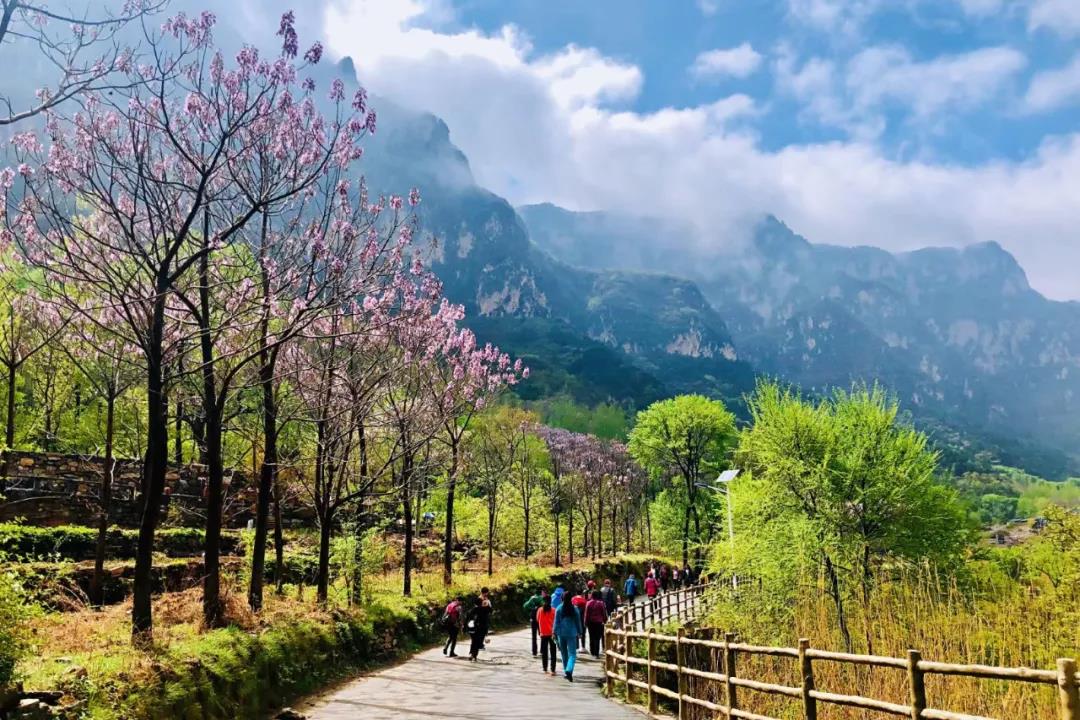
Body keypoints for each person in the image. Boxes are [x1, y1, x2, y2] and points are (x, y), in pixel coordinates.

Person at [554, 592, 582, 682]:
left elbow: (556, 622)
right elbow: (578, 622)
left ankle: (566, 672)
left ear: (562, 598)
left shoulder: (558, 608)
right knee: (572, 654)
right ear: (571, 599)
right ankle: (569, 670)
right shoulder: (575, 609)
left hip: (561, 633)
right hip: (572, 634)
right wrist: (580, 632)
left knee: (564, 653)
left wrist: (554, 632)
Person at [466, 588, 493, 661]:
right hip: (481, 626)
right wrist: (487, 605)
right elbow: (490, 611)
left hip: (475, 626)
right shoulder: (485, 608)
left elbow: (469, 615)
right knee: (478, 641)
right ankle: (473, 655)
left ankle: (472, 654)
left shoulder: (476, 609)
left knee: (474, 641)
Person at [536, 594, 557, 676]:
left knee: (544, 652)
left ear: (543, 601)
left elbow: (537, 620)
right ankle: (553, 670)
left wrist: (539, 631)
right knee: (553, 652)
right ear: (551, 601)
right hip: (552, 634)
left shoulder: (540, 610)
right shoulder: (554, 610)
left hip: (543, 633)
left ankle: (545, 669)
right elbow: (556, 622)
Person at [585, 590, 608, 657]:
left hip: (590, 622)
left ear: (592, 595)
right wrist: (605, 620)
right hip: (598, 622)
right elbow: (603, 612)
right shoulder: (601, 603)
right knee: (597, 637)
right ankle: (596, 653)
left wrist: (585, 622)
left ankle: (592, 651)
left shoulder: (588, 603)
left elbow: (586, 614)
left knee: (591, 636)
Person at [523, 590, 545, 656]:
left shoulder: (532, 598)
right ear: (541, 592)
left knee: (534, 636)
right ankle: (542, 651)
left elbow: (525, 606)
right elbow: (545, 606)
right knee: (542, 635)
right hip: (540, 619)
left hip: (533, 618)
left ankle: (534, 652)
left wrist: (530, 607)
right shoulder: (542, 598)